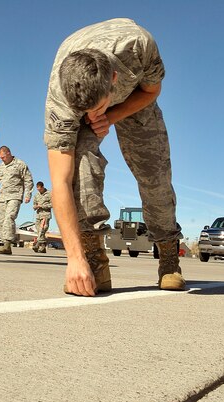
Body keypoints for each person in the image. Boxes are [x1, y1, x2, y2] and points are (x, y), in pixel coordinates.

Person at [44, 18, 185, 297]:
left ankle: (169, 260)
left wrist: (110, 116)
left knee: (154, 175)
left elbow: (151, 90)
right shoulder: (61, 101)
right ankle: (94, 262)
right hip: (87, 97)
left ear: (114, 81)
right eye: (87, 112)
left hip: (137, 98)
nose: (92, 117)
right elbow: (60, 180)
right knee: (81, 168)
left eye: (96, 108)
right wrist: (74, 258)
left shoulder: (139, 46)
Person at [0, 146, 34, 255]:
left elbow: (28, 180)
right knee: (1, 221)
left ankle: (8, 244)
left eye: (3, 157)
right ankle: (5, 243)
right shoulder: (0, 167)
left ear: (9, 153)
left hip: (15, 196)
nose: (2, 159)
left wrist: (28, 194)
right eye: (0, 158)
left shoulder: (20, 164)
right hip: (2, 197)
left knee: (9, 218)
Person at [32, 181, 52, 253]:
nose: (39, 191)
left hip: (45, 214)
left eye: (40, 189)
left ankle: (37, 244)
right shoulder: (36, 195)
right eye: (38, 189)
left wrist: (42, 206)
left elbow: (52, 204)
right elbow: (34, 204)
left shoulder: (49, 193)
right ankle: (43, 246)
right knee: (38, 230)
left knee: (42, 229)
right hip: (38, 215)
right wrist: (35, 207)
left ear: (43, 187)